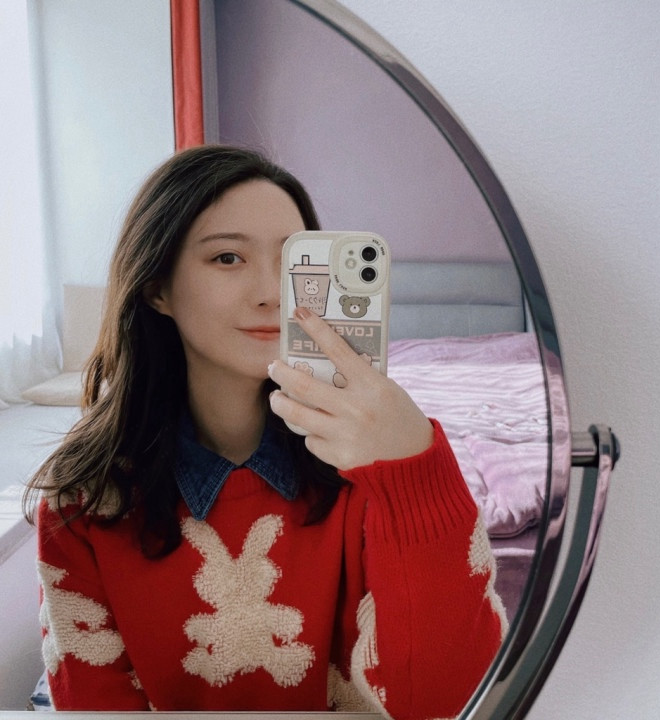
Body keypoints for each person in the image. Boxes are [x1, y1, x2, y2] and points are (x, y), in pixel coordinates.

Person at [24, 145, 507, 718]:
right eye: (227, 258)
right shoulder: (84, 496)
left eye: (294, 262)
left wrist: (415, 471)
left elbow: (450, 703)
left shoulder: (374, 466)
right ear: (157, 288)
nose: (272, 293)